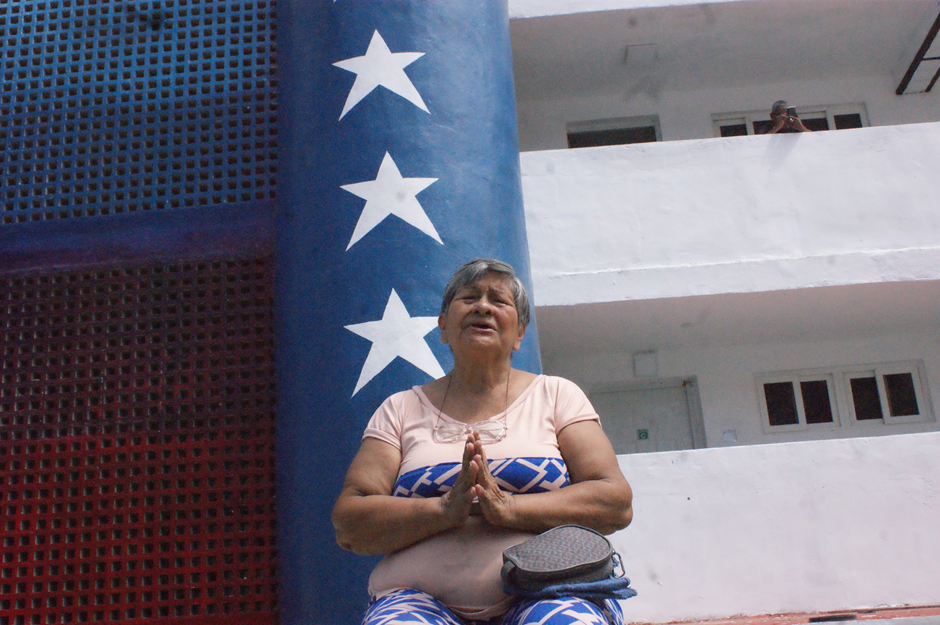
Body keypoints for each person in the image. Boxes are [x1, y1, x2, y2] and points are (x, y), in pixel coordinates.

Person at [332, 258, 634, 625]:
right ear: (443, 326)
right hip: (417, 600)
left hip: (550, 590)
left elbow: (614, 501)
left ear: (520, 332)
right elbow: (350, 522)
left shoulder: (557, 395)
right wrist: (443, 510)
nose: (483, 306)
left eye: (499, 301)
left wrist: (509, 508)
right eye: (469, 296)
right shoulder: (399, 408)